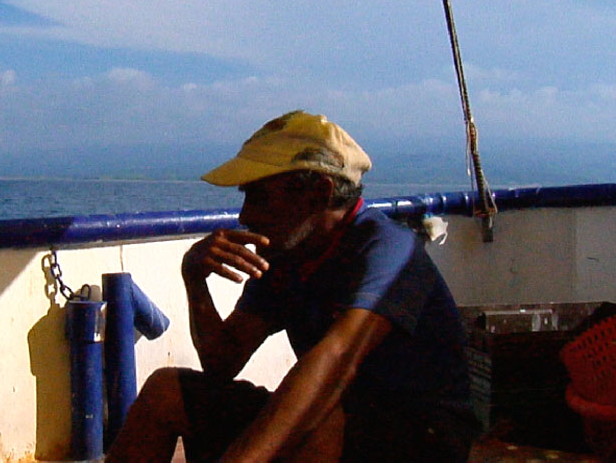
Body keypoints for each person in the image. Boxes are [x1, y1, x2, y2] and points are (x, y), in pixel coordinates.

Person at [106, 110, 479, 462]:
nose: (245, 215)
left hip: (425, 437)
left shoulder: (387, 250)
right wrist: (194, 279)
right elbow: (221, 363)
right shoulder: (288, 253)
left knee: (317, 422)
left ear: (319, 192)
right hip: (336, 419)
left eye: (260, 197)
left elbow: (334, 363)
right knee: (167, 392)